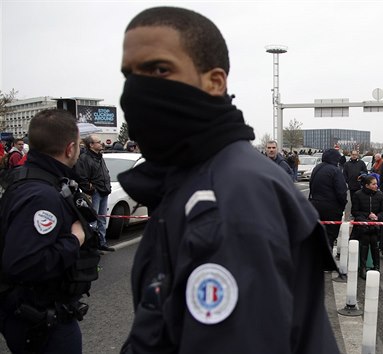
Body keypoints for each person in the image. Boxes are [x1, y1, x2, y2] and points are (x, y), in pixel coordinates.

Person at [117, 7, 338, 353]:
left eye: (159, 69)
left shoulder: (228, 198)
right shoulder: (197, 177)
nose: (138, 88)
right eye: (130, 74)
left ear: (214, 81)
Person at [0, 109, 99, 353]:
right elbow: (25, 263)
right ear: (69, 149)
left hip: (38, 311)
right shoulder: (41, 195)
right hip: (39, 317)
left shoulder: (37, 181)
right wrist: (75, 240)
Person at [74, 134, 115, 252]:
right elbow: (82, 177)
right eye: (98, 142)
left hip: (104, 190)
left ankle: (102, 242)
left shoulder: (99, 156)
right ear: (91, 145)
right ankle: (92, 246)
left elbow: (103, 172)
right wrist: (90, 189)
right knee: (93, 219)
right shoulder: (85, 158)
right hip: (95, 192)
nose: (101, 144)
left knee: (102, 219)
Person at [310, 148, 348, 248]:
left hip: (315, 205)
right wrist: (343, 205)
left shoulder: (317, 168)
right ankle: (326, 261)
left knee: (317, 236)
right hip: (331, 208)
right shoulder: (335, 170)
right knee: (330, 237)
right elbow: (341, 192)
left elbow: (311, 186)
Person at [351, 175, 383, 279]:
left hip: (375, 225)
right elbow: (355, 212)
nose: (376, 186)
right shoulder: (358, 195)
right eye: (373, 184)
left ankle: (377, 267)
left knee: (375, 243)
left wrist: (376, 217)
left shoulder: (379, 195)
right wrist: (367, 216)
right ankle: (363, 268)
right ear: (367, 185)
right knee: (364, 242)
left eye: (376, 183)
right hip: (362, 225)